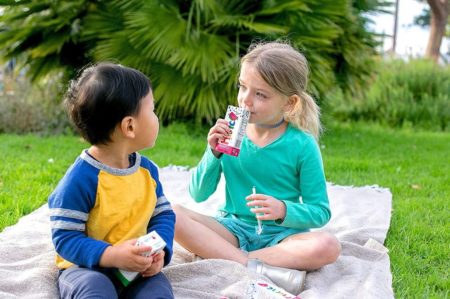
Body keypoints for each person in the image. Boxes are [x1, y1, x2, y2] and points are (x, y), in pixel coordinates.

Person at [173, 41, 341, 295]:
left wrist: (283, 210)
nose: (245, 100)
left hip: (282, 237)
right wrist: (213, 153)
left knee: (328, 245)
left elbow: (320, 211)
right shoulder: (230, 134)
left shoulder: (302, 145)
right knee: (171, 214)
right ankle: (251, 264)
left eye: (260, 94)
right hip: (233, 227)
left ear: (289, 103)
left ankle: (237, 259)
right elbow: (198, 194)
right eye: (242, 87)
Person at [48, 63, 175, 299]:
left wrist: (160, 251)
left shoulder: (146, 171)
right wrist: (112, 255)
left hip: (137, 268)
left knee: (158, 292)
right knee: (95, 290)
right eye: (153, 109)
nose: (157, 117)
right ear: (129, 126)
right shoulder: (81, 179)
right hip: (86, 268)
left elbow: (163, 215)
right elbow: (65, 238)